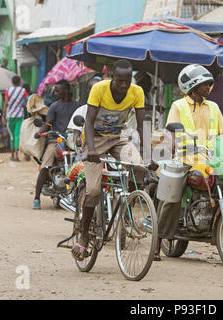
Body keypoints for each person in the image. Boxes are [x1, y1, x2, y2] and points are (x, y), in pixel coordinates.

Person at [71, 59, 146, 261]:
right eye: (120, 81)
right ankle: (85, 233)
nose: (124, 85)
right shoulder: (98, 89)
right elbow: (88, 121)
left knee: (139, 168)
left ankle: (127, 212)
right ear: (112, 78)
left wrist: (147, 152)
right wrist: (92, 149)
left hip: (118, 138)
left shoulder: (137, 92)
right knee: (94, 191)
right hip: (94, 140)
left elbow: (140, 125)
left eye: (127, 81)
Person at [153, 64, 223, 261]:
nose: (208, 88)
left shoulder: (214, 107)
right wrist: (170, 148)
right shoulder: (179, 106)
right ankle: (157, 242)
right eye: (205, 84)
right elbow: (171, 132)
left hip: (211, 159)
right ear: (192, 86)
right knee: (171, 198)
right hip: (186, 159)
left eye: (209, 84)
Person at [33, 79, 82, 209]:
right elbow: (48, 123)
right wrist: (40, 132)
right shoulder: (54, 106)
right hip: (57, 140)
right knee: (46, 165)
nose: (55, 92)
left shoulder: (78, 106)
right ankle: (37, 198)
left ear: (66, 90)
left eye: (57, 90)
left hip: (73, 141)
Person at [67, 76, 102, 146]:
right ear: (88, 91)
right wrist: (77, 140)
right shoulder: (81, 110)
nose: (95, 93)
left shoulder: (112, 109)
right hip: (87, 148)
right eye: (92, 90)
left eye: (98, 90)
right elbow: (75, 133)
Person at [2, 76, 28, 161]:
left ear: (12, 82)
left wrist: (3, 116)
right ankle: (17, 155)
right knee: (17, 136)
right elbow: (26, 104)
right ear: (19, 82)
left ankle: (12, 155)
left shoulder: (8, 90)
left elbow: (5, 103)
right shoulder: (23, 91)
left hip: (10, 116)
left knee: (12, 136)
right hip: (20, 115)